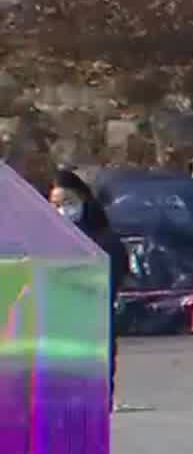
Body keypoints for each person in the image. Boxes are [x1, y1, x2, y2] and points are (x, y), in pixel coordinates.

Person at [49, 170, 127, 400]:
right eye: (55, 205)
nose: (62, 210)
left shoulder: (104, 240)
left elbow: (108, 283)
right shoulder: (47, 239)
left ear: (84, 199)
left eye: (69, 202)